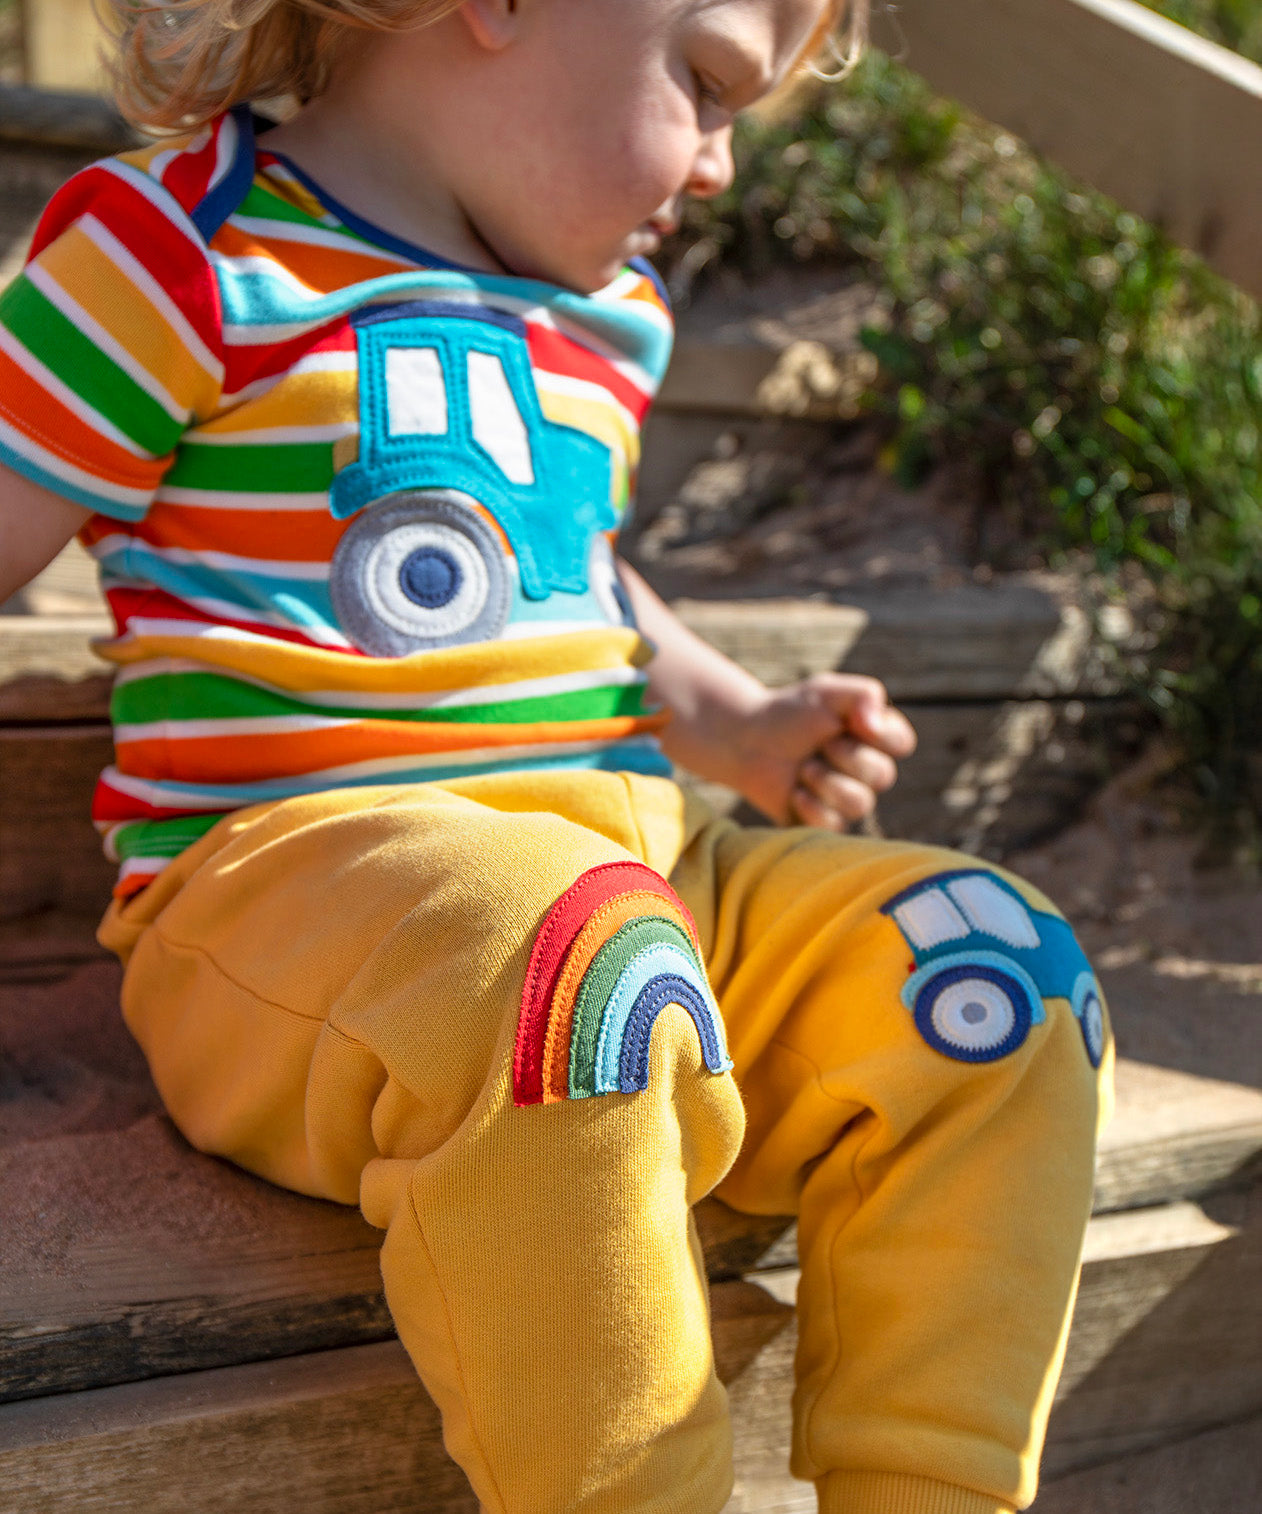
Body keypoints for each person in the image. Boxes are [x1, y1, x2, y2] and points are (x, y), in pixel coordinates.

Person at [0, 1, 1112, 1510]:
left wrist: (731, 718)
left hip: (634, 874)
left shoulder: (608, 313)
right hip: (297, 903)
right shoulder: (180, 248)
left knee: (987, 967)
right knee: (571, 958)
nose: (720, 166)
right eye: (709, 83)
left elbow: (570, 566)